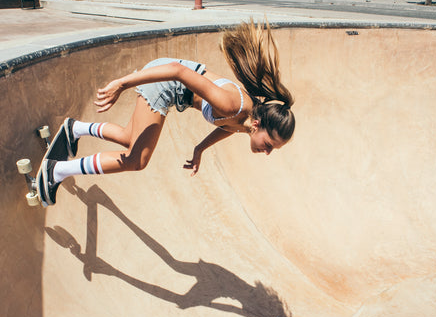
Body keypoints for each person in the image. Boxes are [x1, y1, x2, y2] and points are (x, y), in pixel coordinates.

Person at [38, 19, 295, 206]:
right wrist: (123, 83)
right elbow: (177, 71)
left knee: (131, 137)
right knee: (137, 159)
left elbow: (226, 128)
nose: (268, 152)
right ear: (259, 124)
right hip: (165, 81)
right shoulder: (232, 105)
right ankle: (57, 171)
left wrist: (200, 149)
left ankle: (75, 129)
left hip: (169, 85)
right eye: (269, 144)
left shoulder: (248, 120)